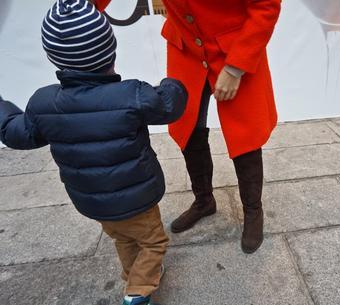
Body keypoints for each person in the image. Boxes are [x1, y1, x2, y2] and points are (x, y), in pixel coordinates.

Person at [0, 1, 187, 304]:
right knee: (153, 242)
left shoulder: (43, 104)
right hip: (137, 199)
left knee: (124, 238)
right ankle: (137, 294)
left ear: (56, 59)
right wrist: (172, 82)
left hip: (92, 203)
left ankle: (133, 274)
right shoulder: (131, 94)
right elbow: (169, 104)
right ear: (110, 51)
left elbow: (14, 132)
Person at [94, 0, 281, 254]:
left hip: (236, 46)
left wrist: (236, 67)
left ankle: (253, 211)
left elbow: (266, 6)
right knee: (188, 127)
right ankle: (204, 201)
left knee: (244, 135)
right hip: (185, 47)